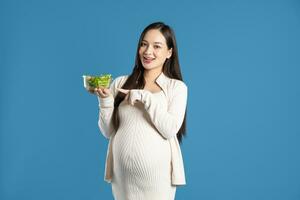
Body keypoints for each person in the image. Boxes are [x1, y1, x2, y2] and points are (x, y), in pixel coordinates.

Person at [89, 22, 188, 200]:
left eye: (157, 46)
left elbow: (169, 129)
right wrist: (105, 100)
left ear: (169, 52)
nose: (148, 51)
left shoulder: (177, 88)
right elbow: (108, 131)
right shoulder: (120, 83)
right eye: (144, 44)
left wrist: (145, 97)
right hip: (122, 177)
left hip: (158, 179)